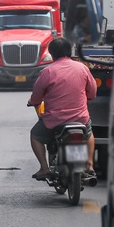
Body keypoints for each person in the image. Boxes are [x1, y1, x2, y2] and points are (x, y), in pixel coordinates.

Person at [27, 37, 97, 180]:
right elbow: (93, 91)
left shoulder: (47, 72)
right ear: (70, 51)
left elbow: (36, 96)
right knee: (88, 133)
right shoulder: (82, 68)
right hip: (80, 118)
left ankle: (44, 168)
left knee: (35, 135)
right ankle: (89, 165)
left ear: (52, 54)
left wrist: (33, 101)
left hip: (55, 121)